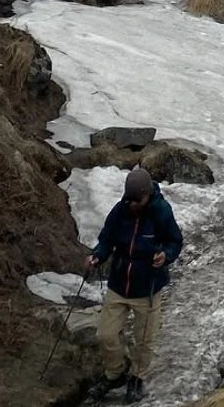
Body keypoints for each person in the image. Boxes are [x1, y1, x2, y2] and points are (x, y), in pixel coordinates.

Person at [85, 167, 183, 403]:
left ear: (148, 195)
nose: (132, 205)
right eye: (129, 200)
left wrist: (165, 256)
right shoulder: (120, 210)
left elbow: (175, 241)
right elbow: (106, 240)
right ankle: (116, 372)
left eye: (137, 200)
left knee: (144, 340)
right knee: (105, 335)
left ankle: (137, 376)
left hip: (148, 287)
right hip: (118, 284)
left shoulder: (161, 211)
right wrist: (97, 255)